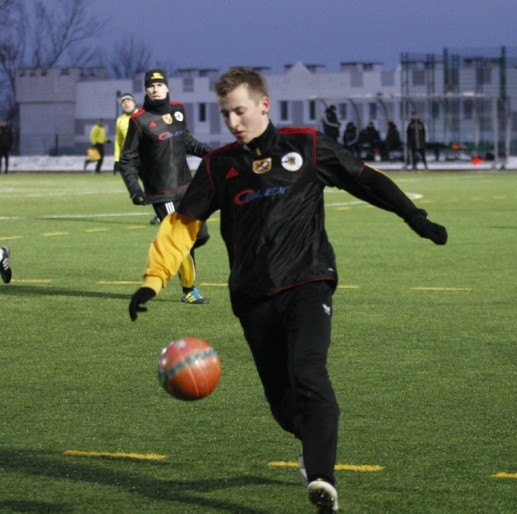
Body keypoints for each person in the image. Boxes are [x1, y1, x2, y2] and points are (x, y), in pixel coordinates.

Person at [128, 67, 448, 513]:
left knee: (310, 375)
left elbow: (366, 179)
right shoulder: (220, 165)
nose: (234, 121)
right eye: (226, 114)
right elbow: (182, 225)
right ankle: (311, 444)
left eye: (240, 110)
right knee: (282, 405)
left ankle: (322, 479)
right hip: (253, 297)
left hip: (308, 283)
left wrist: (414, 217)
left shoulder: (307, 145)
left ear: (263, 105)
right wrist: (152, 280)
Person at [119, 69, 211, 304]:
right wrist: (134, 190)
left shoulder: (179, 110)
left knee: (201, 236)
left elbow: (185, 139)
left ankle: (173, 257)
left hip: (187, 187)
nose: (155, 89)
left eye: (159, 84)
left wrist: (208, 153)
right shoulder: (139, 120)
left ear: (167, 88)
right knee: (181, 240)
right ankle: (189, 289)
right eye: (150, 85)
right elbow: (127, 160)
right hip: (163, 193)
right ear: (146, 89)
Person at [114, 93, 159, 225]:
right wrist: (117, 159)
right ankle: (137, 196)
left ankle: (160, 214)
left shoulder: (143, 115)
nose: (126, 103)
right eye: (123, 102)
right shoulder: (120, 120)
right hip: (129, 159)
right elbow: (118, 141)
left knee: (152, 186)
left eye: (129, 100)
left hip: (145, 157)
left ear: (134, 103)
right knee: (134, 184)